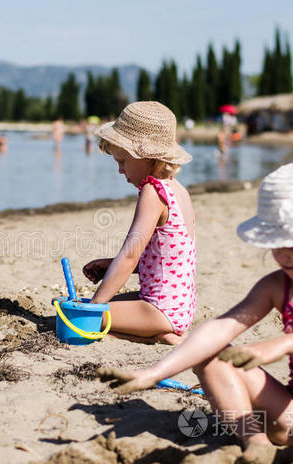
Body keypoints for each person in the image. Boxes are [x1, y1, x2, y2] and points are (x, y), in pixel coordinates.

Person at [98, 160, 293, 463]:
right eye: (276, 245)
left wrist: (280, 344)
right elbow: (220, 328)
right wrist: (153, 373)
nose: (281, 256)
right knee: (212, 353)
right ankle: (255, 440)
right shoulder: (278, 285)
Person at [83, 101, 196, 345]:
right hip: (179, 307)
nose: (120, 171)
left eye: (122, 161)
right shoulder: (179, 191)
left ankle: (158, 330)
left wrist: (94, 306)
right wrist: (109, 265)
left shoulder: (153, 191)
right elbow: (167, 259)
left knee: (86, 315)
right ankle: (162, 334)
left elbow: (130, 255)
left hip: (159, 308)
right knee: (106, 308)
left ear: (145, 155)